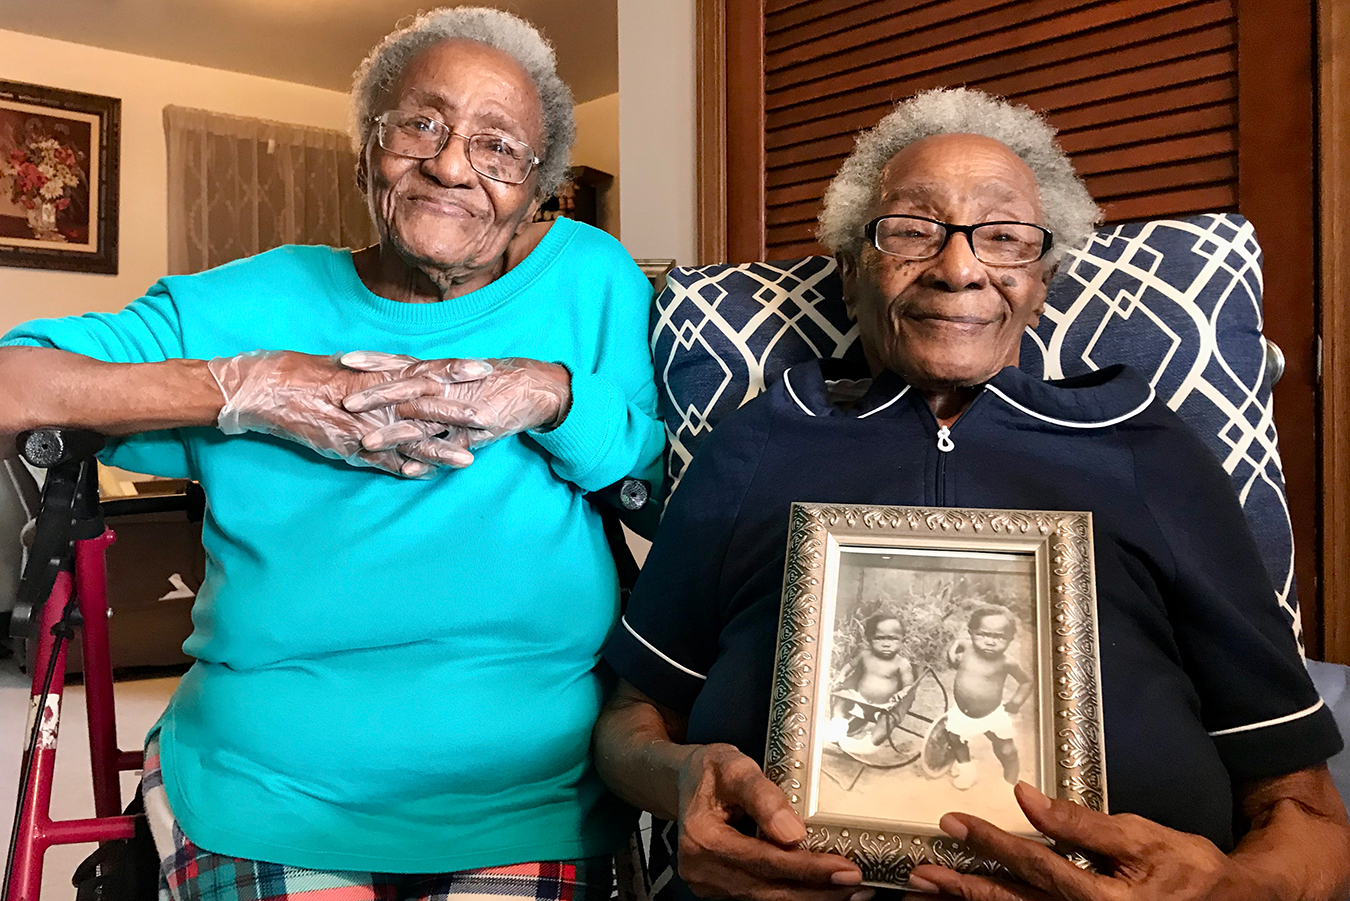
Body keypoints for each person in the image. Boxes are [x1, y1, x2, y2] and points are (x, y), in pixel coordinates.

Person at [592, 87, 1350, 901]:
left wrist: (1239, 887)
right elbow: (632, 721)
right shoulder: (762, 440)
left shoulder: (1147, 449)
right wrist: (680, 781)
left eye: (1004, 236)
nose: (958, 269)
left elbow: (1308, 815)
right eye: (911, 230)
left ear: (1041, 280)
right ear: (851, 271)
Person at [0, 8, 662, 901]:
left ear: (537, 188)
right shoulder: (245, 301)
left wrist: (555, 391)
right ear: (365, 153)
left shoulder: (589, 277)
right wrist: (251, 384)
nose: (451, 165)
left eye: (498, 147)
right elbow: (14, 383)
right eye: (420, 124)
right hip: (265, 780)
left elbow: (654, 483)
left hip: (525, 786)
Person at [944, 605, 1031, 788]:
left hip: (992, 714)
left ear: (1010, 638)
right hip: (962, 711)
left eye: (999, 637)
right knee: (955, 738)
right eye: (983, 635)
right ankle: (967, 771)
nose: (990, 642)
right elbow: (960, 642)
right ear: (971, 633)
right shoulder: (968, 649)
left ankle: (1009, 785)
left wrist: (1016, 702)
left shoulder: (1006, 662)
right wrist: (952, 652)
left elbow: (1026, 682)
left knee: (1006, 750)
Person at [826, 613, 915, 749]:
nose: (886, 644)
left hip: (885, 705)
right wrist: (842, 675)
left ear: (903, 640)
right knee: (841, 698)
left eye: (893, 639)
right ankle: (838, 726)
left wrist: (903, 692)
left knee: (887, 719)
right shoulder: (865, 655)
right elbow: (850, 665)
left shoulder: (901, 663)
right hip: (859, 698)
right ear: (869, 639)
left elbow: (909, 685)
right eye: (879, 638)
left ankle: (869, 744)